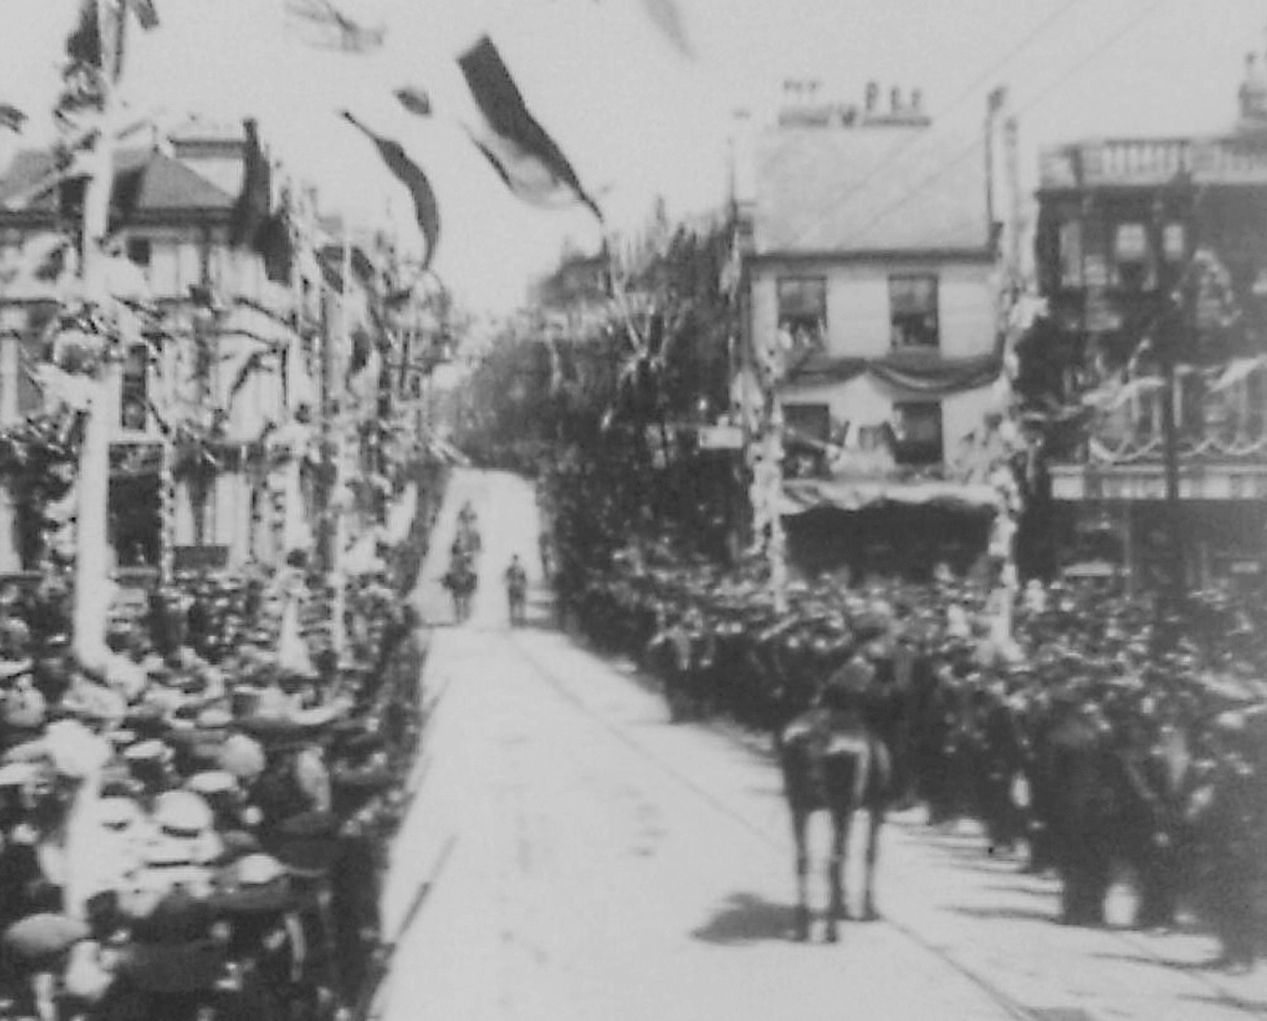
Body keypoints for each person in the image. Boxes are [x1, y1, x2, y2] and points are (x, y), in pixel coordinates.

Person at [504, 556, 528, 627]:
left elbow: (525, 579)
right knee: (512, 606)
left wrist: (523, 586)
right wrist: (510, 582)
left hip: (520, 589)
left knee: (521, 606)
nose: (515, 562)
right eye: (514, 561)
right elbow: (505, 578)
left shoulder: (521, 569)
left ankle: (521, 622)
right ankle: (513, 622)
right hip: (512, 589)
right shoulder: (509, 569)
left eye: (516, 561)